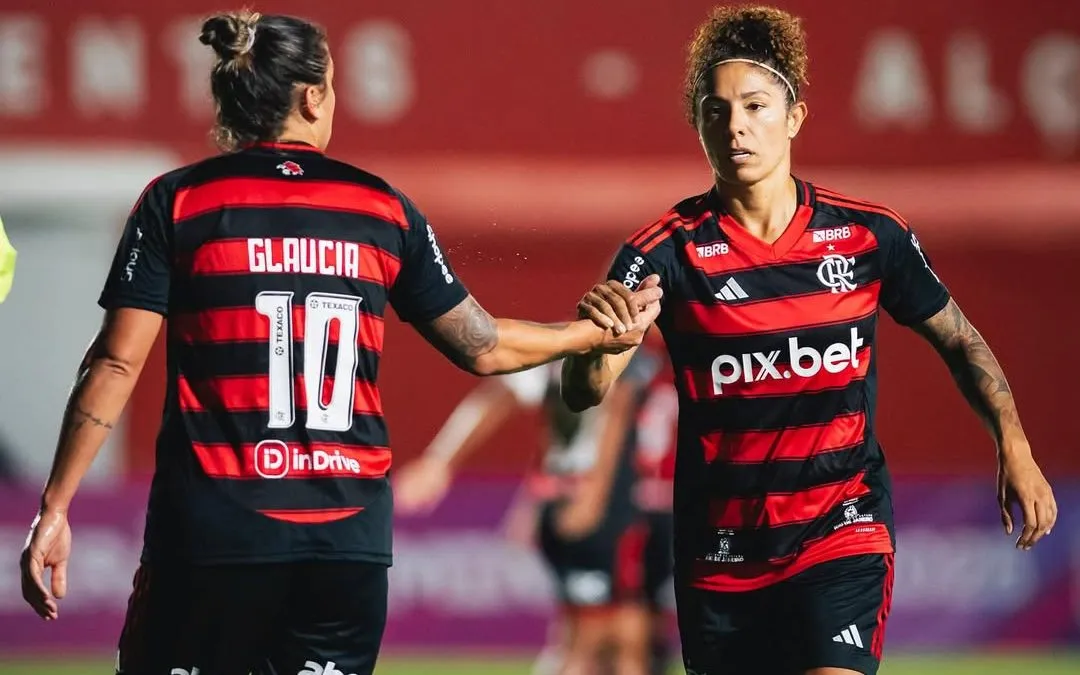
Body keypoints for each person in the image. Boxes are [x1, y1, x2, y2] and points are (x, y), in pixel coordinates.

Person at [16, 10, 660, 675]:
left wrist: (55, 507)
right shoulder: (381, 208)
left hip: (217, 535)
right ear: (313, 95)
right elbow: (485, 345)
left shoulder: (180, 202)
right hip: (344, 546)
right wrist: (593, 331)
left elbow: (117, 360)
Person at [560, 5, 1058, 675]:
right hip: (722, 554)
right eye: (715, 109)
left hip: (840, 531)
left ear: (794, 116)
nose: (735, 125)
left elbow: (961, 341)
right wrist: (597, 347)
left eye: (756, 106)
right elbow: (584, 391)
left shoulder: (867, 236)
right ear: (699, 124)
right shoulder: (661, 253)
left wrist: (1015, 443)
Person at [394, 348, 665, 675]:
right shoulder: (614, 352)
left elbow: (506, 402)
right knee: (608, 639)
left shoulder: (561, 346)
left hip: (584, 503)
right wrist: (592, 497)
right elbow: (614, 416)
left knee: (607, 633)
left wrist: (440, 461)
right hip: (599, 509)